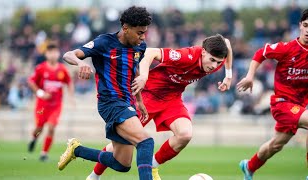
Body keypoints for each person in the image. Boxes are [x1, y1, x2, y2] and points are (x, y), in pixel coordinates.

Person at [88, 34, 233, 180]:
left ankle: (152, 165)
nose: (214, 65)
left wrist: (228, 75)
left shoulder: (217, 59)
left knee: (185, 134)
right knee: (122, 143)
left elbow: (226, 43)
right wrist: (144, 76)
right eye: (212, 60)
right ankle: (94, 176)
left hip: (172, 99)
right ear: (203, 51)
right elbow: (151, 52)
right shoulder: (186, 56)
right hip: (149, 95)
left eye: (218, 62)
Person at [57, 6, 155, 180]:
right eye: (140, 33)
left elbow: (134, 72)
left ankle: (77, 150)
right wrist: (81, 64)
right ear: (125, 28)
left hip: (128, 103)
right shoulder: (104, 42)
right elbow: (69, 54)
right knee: (146, 142)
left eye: (144, 32)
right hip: (111, 103)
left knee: (121, 164)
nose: (143, 37)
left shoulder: (140, 47)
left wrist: (139, 100)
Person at [237, 9, 308, 180]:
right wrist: (250, 76)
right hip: (282, 104)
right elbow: (260, 53)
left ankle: (249, 166)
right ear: (299, 26)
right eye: (306, 26)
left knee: (275, 145)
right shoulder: (287, 48)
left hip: (301, 107)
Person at [27, 42, 74, 161]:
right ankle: (34, 139)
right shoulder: (41, 68)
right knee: (39, 127)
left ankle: (44, 153)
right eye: (50, 52)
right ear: (46, 54)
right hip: (42, 106)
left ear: (58, 54)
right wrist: (41, 93)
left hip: (56, 105)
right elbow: (31, 82)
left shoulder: (62, 69)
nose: (53, 55)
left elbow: (69, 82)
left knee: (52, 127)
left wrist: (71, 97)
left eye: (55, 52)